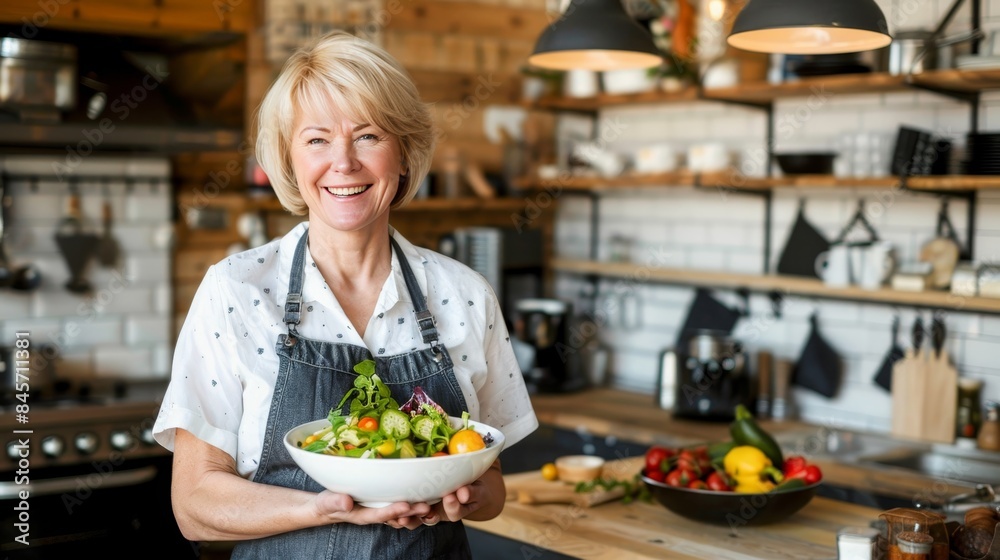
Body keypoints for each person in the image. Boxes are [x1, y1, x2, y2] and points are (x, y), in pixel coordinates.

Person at [152, 31, 538, 559]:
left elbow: (492, 486)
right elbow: (194, 507)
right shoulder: (236, 291)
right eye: (316, 140)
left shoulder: (465, 295)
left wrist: (461, 497)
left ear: (403, 154)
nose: (344, 163)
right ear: (289, 162)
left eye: (368, 136)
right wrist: (320, 509)